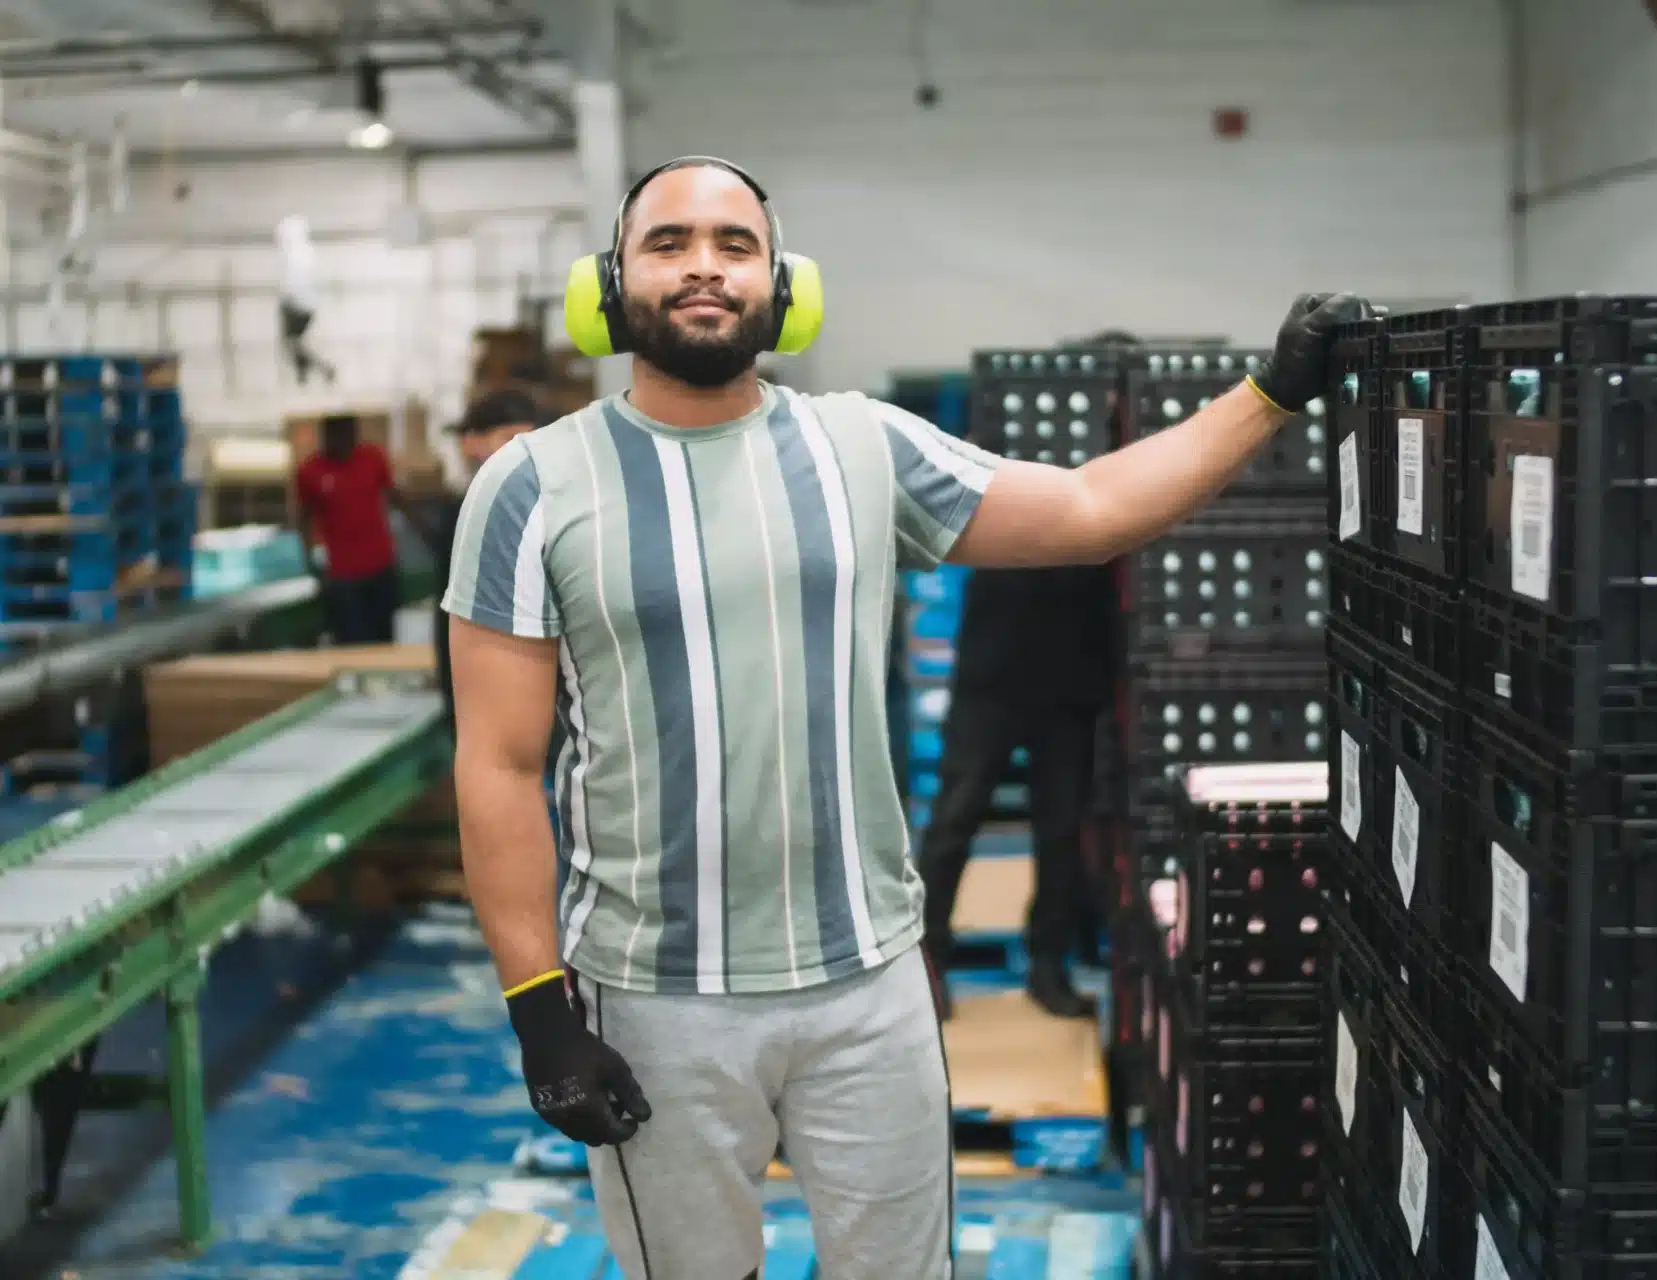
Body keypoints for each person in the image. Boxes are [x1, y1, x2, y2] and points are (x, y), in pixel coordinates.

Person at [442, 153, 1365, 1280]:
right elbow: (496, 763)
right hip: (654, 996)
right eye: (669, 242)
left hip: (868, 982)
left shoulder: (860, 446)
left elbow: (1087, 507)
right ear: (609, 282)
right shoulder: (532, 486)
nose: (703, 267)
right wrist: (542, 1008)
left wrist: (1267, 392)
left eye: (736, 246)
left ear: (785, 288)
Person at [918, 563, 1120, 1021]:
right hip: (993, 663)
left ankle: (1049, 968)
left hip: (1072, 663)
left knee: (1062, 833)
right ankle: (928, 967)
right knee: (955, 819)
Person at [434, 389, 546, 727]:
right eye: (509, 438)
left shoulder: (544, 504)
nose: (522, 452)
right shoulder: (468, 510)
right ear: (472, 444)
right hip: (488, 686)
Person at [295, 413, 403, 644]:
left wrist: (429, 533)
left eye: (349, 433)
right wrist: (311, 561)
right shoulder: (310, 471)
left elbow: (395, 497)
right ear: (327, 435)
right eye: (338, 433)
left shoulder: (373, 458)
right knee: (352, 641)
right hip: (343, 575)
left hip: (381, 566)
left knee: (384, 639)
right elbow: (303, 519)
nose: (344, 440)